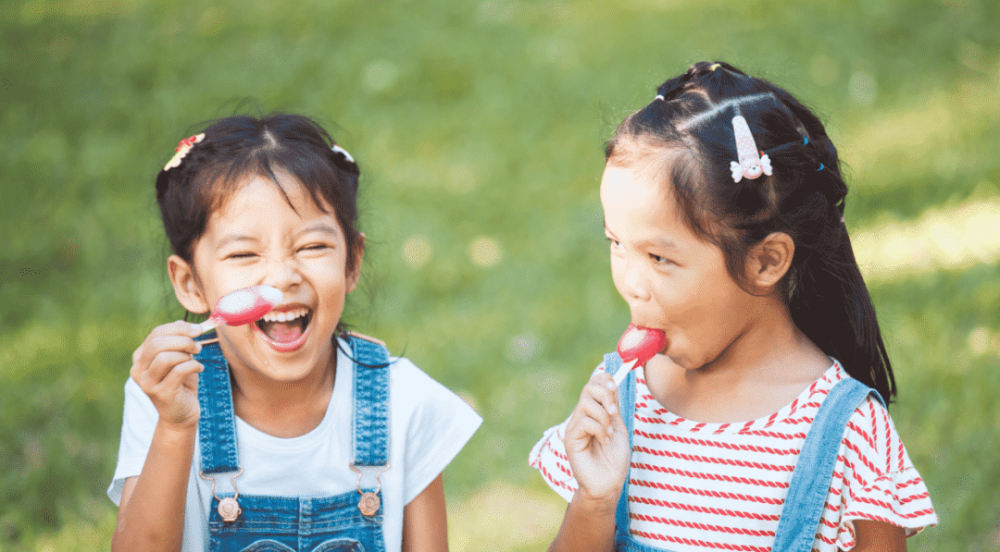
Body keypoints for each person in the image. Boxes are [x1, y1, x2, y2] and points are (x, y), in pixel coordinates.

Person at [530, 62, 937, 552]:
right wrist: (594, 502)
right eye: (617, 244)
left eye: (660, 257)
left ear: (766, 261)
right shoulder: (625, 403)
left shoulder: (849, 435)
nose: (631, 284)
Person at [108, 114, 481, 552]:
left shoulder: (405, 402)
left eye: (312, 246)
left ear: (352, 263)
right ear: (190, 283)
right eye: (244, 253)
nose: (282, 276)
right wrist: (174, 429)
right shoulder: (167, 399)